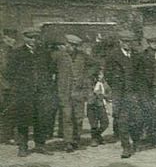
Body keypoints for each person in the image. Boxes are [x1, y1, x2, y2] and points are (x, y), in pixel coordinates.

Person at [7, 27, 55, 156]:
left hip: (41, 92)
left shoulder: (44, 53)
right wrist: (19, 86)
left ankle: (40, 145)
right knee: (23, 119)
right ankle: (23, 147)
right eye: (31, 37)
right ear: (25, 38)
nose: (33, 40)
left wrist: (46, 85)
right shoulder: (17, 53)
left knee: (41, 118)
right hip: (24, 93)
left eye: (35, 38)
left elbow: (50, 70)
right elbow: (9, 73)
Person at [105, 29, 143, 159]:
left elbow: (140, 74)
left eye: (130, 42)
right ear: (120, 42)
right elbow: (107, 74)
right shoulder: (113, 56)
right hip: (120, 93)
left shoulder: (137, 56)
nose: (127, 44)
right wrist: (116, 86)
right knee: (123, 121)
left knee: (137, 120)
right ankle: (126, 147)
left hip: (134, 93)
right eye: (125, 42)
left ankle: (136, 141)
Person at [53, 34, 93, 152]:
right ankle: (68, 142)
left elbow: (95, 65)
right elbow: (50, 69)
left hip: (78, 92)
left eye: (75, 46)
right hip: (64, 91)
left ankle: (76, 139)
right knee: (67, 117)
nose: (73, 48)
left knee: (78, 117)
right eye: (71, 45)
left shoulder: (82, 56)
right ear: (66, 44)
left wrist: (86, 76)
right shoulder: (58, 56)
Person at [0, 28, 18, 145]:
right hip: (4, 85)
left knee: (7, 110)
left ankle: (6, 136)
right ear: (4, 38)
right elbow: (5, 69)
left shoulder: (9, 50)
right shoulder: (5, 50)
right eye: (10, 38)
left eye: (14, 39)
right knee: (7, 110)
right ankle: (6, 135)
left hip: (6, 85)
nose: (13, 41)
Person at [86, 66, 110, 146]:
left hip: (101, 105)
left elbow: (109, 93)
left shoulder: (104, 83)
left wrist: (104, 95)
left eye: (101, 74)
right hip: (92, 104)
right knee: (94, 123)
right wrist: (93, 94)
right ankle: (94, 139)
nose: (100, 76)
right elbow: (88, 93)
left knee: (105, 122)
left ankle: (97, 135)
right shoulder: (90, 83)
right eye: (99, 75)